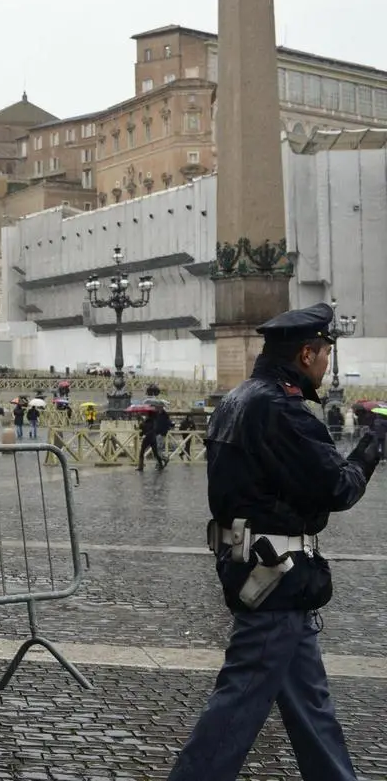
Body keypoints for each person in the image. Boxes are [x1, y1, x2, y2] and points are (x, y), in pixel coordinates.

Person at [166, 303, 383, 781]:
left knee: (311, 705)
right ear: (306, 354)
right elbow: (339, 487)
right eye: (325, 352)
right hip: (275, 573)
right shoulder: (281, 411)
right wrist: (373, 444)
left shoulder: (239, 398)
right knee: (239, 702)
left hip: (260, 568)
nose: (327, 363)